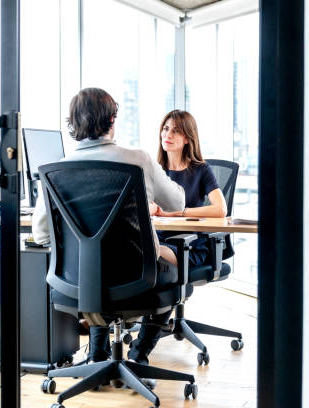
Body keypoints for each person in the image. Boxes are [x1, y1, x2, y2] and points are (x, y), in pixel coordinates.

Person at [31, 88, 185, 367]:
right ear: (112, 119)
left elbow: (40, 234)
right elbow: (176, 201)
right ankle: (139, 352)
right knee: (175, 271)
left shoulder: (55, 170)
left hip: (75, 281)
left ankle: (97, 354)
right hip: (139, 279)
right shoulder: (139, 159)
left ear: (73, 123)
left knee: (98, 271)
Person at [127, 109, 227, 365]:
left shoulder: (200, 171)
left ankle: (137, 351)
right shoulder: (155, 170)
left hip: (189, 245)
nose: (167, 134)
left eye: (175, 130)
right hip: (156, 238)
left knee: (151, 255)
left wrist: (177, 213)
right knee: (136, 256)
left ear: (187, 138)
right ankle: (115, 337)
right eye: (165, 128)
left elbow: (220, 209)